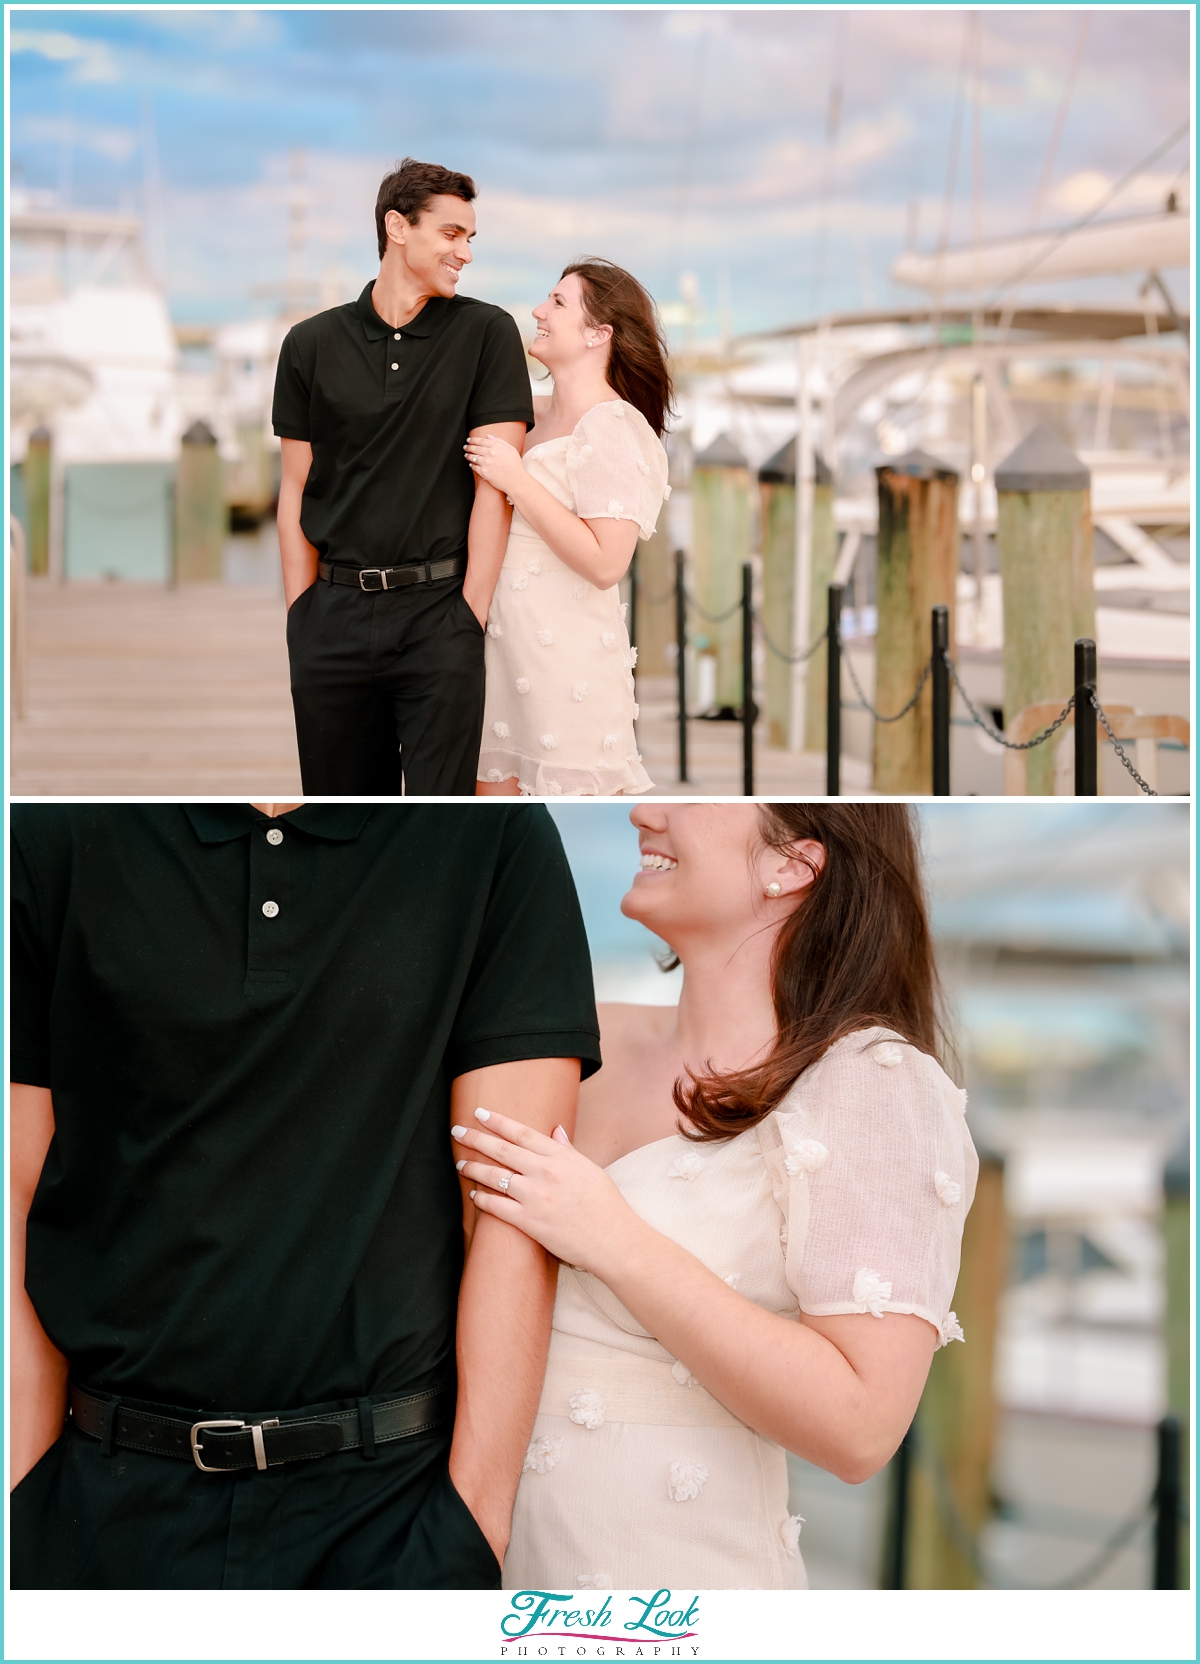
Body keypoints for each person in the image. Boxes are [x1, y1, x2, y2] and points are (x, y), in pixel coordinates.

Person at [9, 802, 601, 1589]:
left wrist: (472, 1530)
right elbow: (16, 1192)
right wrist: (20, 1499)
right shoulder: (49, 829)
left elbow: (509, 1206)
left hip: (389, 1510)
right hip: (94, 1507)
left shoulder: (490, 835)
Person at [453, 803, 979, 1590]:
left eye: (696, 798)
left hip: (682, 1584)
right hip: (474, 1557)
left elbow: (862, 1427)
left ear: (792, 866)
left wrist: (614, 1241)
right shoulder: (569, 1038)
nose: (644, 811)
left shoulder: (872, 1083)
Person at [273, 158, 535, 796]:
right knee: (342, 824)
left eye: (470, 238)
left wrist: (467, 617)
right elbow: (295, 488)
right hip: (330, 618)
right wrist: (301, 615)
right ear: (397, 227)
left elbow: (493, 489)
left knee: (438, 823)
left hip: (439, 616)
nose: (465, 252)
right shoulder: (310, 344)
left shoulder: (487, 334)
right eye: (451, 234)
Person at [466, 260, 671, 797]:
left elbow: (607, 562)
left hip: (566, 669)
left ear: (598, 333)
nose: (538, 310)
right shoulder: (529, 414)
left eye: (558, 302)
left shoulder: (611, 425)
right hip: (503, 654)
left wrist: (516, 480)